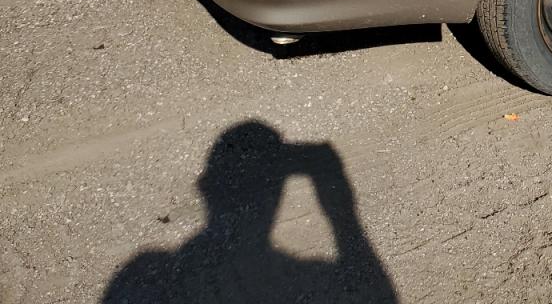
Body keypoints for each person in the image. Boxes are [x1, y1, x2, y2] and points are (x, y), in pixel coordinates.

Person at [103, 121, 397, 303]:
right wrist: (342, 213)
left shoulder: (145, 270)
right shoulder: (306, 276)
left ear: (206, 186)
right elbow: (378, 291)